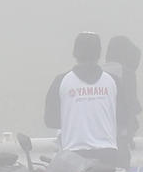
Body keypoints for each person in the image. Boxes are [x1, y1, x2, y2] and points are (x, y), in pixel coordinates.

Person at [45, 32, 122, 164]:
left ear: (75, 52)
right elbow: (123, 118)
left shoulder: (61, 81)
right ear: (99, 53)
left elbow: (51, 121)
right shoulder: (113, 81)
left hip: (73, 155)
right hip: (108, 154)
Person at [105, 35, 143, 167]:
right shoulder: (127, 74)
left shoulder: (99, 72)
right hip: (119, 137)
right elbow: (132, 107)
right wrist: (129, 136)